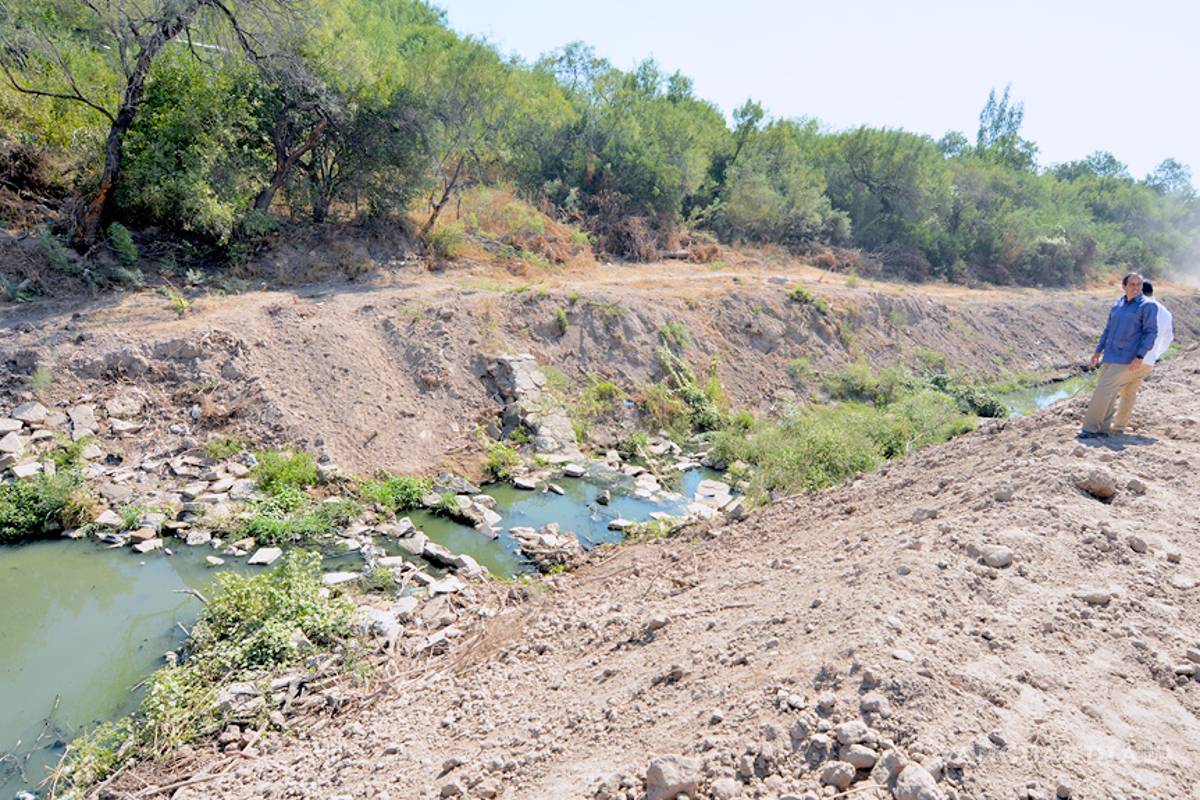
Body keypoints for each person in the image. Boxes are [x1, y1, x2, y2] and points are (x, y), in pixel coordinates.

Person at [1079, 272, 1158, 438]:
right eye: (1132, 284)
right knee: (1109, 391)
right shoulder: (1118, 304)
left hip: (1127, 358)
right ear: (1124, 286)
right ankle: (1102, 429)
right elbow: (1108, 329)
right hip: (1110, 354)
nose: (1136, 287)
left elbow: (1150, 333)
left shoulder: (1147, 306)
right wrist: (1098, 351)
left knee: (1102, 390)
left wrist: (1140, 356)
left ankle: (1089, 429)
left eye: (1139, 284)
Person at [1103, 280, 1174, 433]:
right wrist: (1153, 354)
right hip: (1147, 362)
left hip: (1129, 358)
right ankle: (1119, 426)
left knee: (1110, 388)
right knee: (1130, 393)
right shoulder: (1166, 313)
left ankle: (1102, 425)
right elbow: (1168, 338)